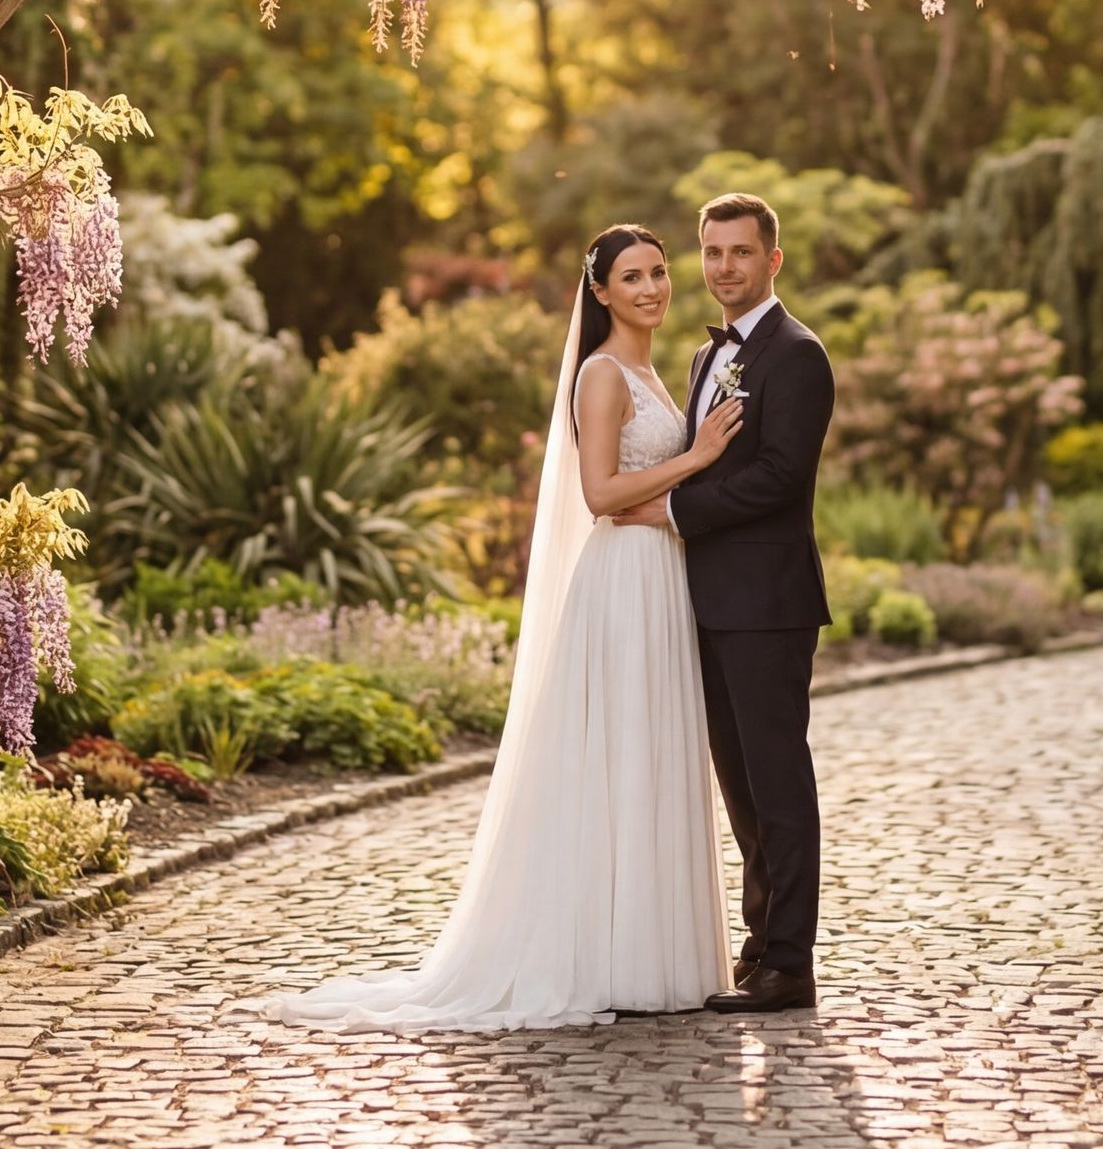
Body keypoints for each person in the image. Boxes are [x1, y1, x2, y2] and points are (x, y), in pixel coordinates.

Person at [261, 223, 741, 1029]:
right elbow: (599, 492)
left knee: (654, 751)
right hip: (623, 581)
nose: (652, 288)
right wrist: (696, 459)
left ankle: (657, 952)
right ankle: (609, 957)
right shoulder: (601, 373)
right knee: (621, 755)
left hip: (662, 574)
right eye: (631, 276)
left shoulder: (656, 373)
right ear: (600, 291)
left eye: (659, 271)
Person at [609, 191, 835, 1013]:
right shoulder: (708, 357)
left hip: (768, 602)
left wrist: (671, 510)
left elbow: (778, 478)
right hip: (705, 602)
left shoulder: (798, 354)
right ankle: (759, 943)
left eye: (741, 251)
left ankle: (790, 963)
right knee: (741, 788)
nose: (724, 266)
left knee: (778, 783)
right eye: (712, 251)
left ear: (772, 259)